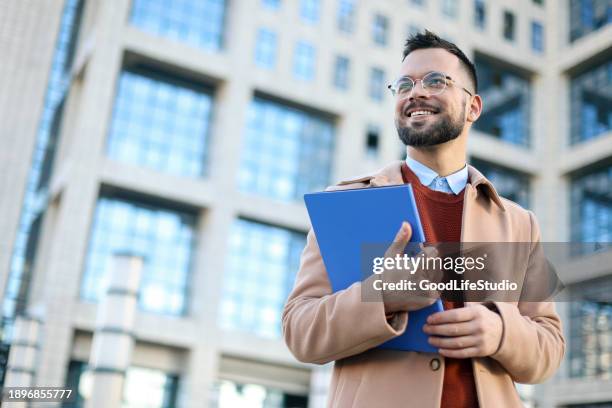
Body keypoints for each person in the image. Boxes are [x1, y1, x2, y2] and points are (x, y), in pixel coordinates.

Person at [282, 31, 565, 408]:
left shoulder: (518, 223)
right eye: (403, 84)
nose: (415, 92)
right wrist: (381, 296)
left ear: (473, 107)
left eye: (436, 81)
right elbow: (300, 332)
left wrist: (501, 332)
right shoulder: (346, 204)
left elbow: (549, 349)